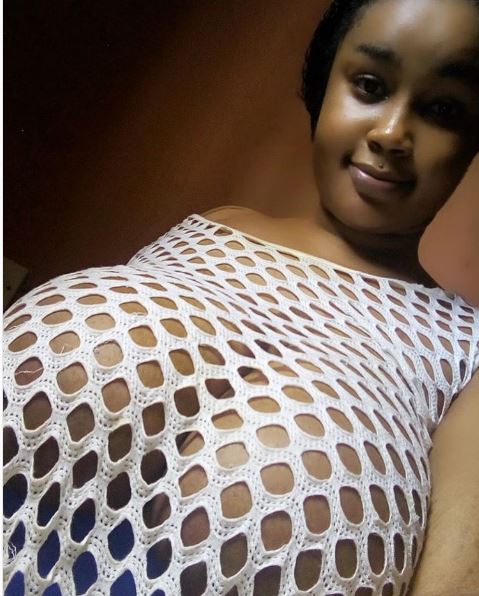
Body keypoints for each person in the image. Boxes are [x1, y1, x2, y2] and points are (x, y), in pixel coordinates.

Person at [4, 0, 479, 594]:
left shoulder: (466, 356)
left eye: (443, 110)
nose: (390, 134)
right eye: (369, 85)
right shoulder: (213, 226)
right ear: (325, 81)